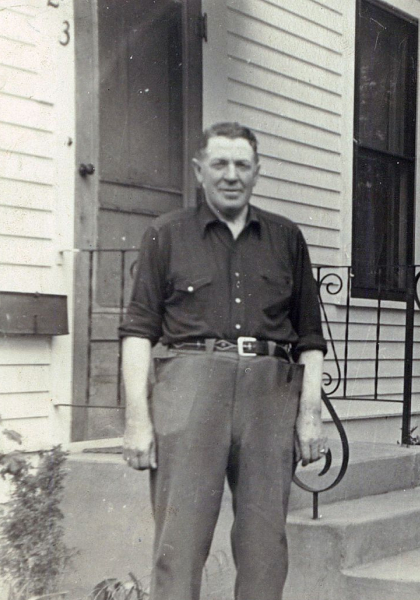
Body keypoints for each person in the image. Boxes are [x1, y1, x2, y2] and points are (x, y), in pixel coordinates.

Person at [118, 122, 327, 600]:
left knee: (265, 547)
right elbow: (137, 332)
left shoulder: (286, 238)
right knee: (179, 544)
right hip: (189, 391)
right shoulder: (165, 234)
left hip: (270, 396)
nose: (231, 175)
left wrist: (309, 416)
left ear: (257, 172)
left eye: (242, 165)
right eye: (219, 164)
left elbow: (310, 337)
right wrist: (136, 420)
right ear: (199, 171)